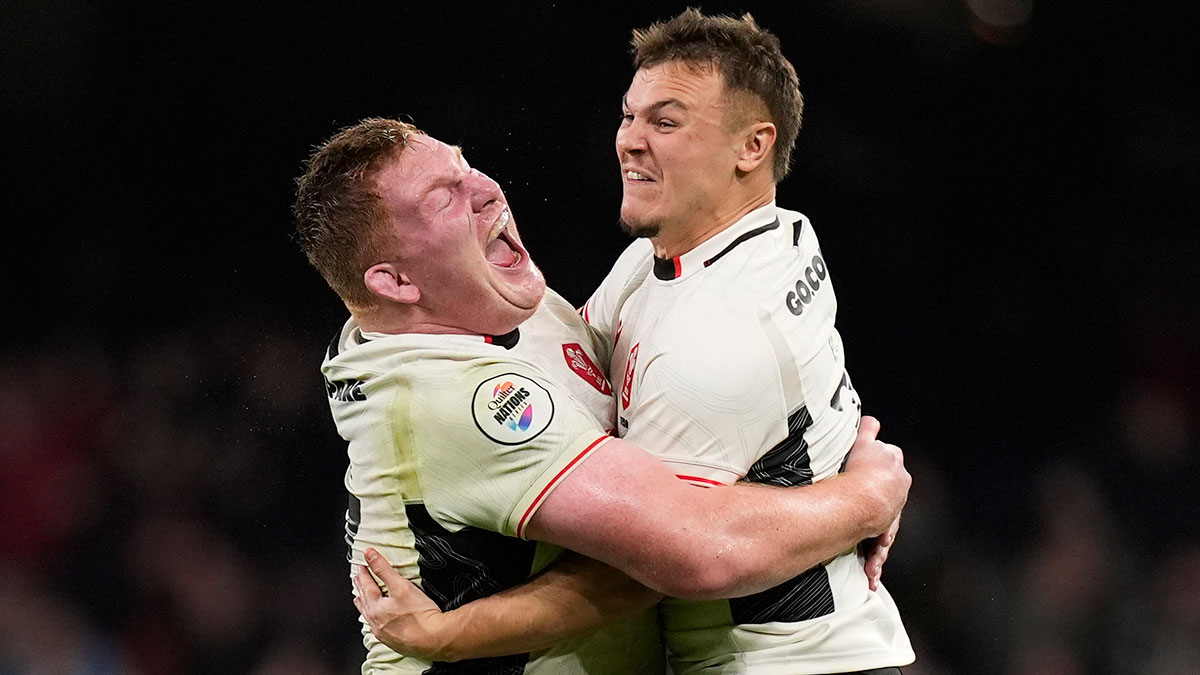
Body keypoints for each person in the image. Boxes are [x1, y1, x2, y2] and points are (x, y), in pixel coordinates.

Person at [353, 9, 916, 675]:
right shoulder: (733, 242)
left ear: (752, 147)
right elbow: (579, 373)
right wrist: (866, 491)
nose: (629, 141)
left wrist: (447, 633)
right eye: (629, 115)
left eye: (666, 122)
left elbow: (665, 561)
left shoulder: (713, 337)